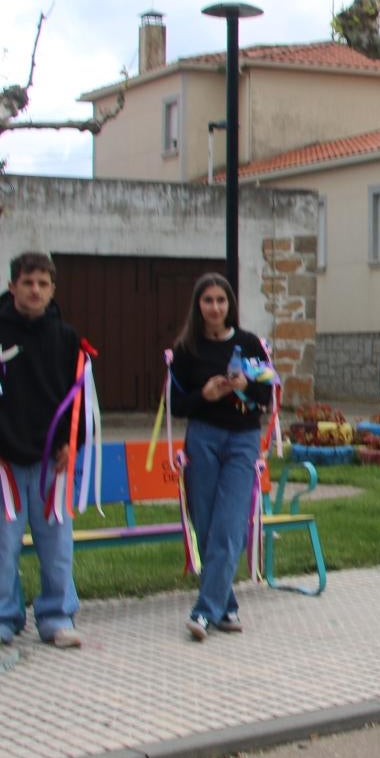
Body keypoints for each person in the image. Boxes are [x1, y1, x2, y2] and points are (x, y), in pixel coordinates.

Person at [0, 252, 88, 653]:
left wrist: (73, 442)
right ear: (12, 286)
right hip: (3, 459)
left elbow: (78, 397)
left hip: (51, 460)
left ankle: (57, 616)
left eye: (43, 283)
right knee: (2, 544)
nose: (35, 290)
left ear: (52, 289)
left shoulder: (66, 337)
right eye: (27, 282)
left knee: (56, 544)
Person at [168, 272, 271, 641]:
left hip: (243, 438)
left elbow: (267, 398)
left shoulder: (249, 344)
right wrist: (205, 395)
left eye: (221, 300)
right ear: (198, 305)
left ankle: (204, 611)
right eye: (208, 300)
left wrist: (247, 387)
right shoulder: (186, 349)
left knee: (229, 524)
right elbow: (176, 405)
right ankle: (226, 606)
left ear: (231, 305)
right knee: (207, 521)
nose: (215, 307)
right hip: (203, 438)